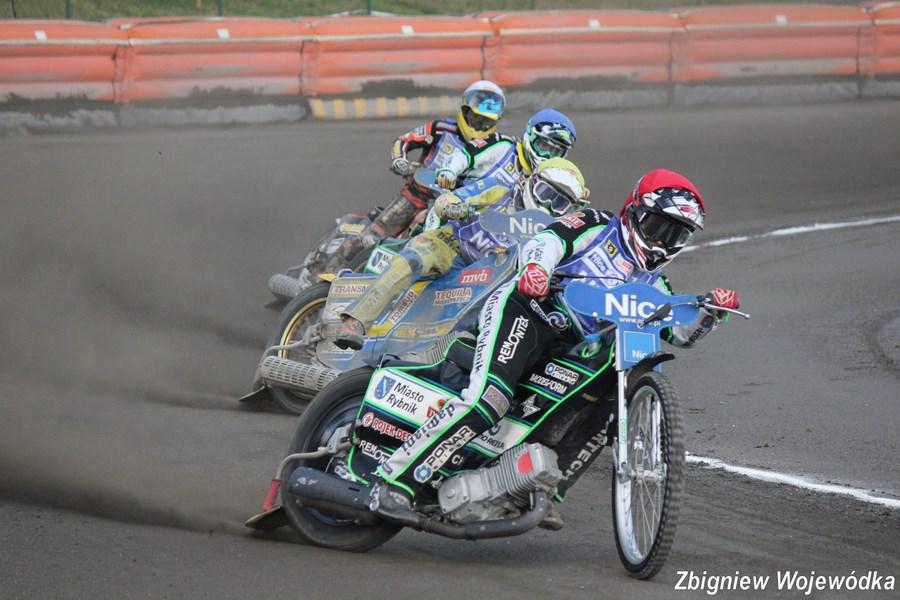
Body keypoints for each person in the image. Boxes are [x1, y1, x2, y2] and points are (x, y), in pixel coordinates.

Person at [368, 168, 741, 528]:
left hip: (567, 349)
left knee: (608, 407)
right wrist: (536, 269)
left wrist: (709, 313)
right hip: (527, 311)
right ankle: (393, 481)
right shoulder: (596, 224)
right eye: (659, 227)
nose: (662, 242)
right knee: (489, 400)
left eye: (676, 235)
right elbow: (548, 241)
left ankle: (545, 491)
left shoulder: (655, 285)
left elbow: (679, 335)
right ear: (634, 212)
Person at [334, 158, 591, 350]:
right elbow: (447, 200)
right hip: (454, 246)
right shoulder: (500, 189)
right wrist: (456, 207)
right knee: (413, 260)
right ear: (531, 182)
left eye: (559, 202)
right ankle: (356, 321)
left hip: (490, 274)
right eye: (546, 194)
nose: (548, 204)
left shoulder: (551, 233)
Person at [322, 80, 511, 273]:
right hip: (415, 197)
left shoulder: (491, 149)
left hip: (448, 209)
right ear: (464, 110)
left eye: (486, 122)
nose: (479, 126)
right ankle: (324, 274)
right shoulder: (441, 128)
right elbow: (405, 140)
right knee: (370, 238)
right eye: (475, 119)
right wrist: (399, 159)